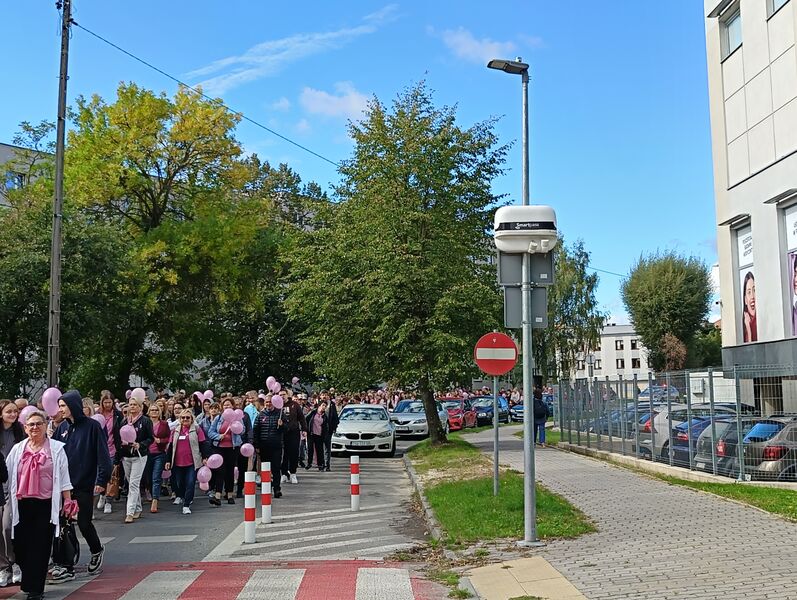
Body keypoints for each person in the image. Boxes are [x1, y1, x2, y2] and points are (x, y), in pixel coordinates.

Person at [7, 410, 75, 600]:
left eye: (39, 424)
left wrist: (68, 501)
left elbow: (64, 478)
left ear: (46, 426)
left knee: (40, 546)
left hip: (46, 505)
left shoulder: (56, 449)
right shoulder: (18, 449)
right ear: (25, 428)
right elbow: (7, 475)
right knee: (20, 546)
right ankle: (28, 583)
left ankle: (36, 589)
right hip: (21, 504)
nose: (35, 427)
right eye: (31, 425)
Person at [51, 390, 112, 582]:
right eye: (59, 406)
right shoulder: (61, 428)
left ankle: (96, 549)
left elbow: (103, 455)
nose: (60, 409)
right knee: (64, 525)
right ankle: (66, 563)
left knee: (84, 523)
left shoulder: (92, 427)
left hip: (84, 483)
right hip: (64, 485)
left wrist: (102, 480)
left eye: (63, 406)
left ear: (73, 406)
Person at [164, 410, 209, 515]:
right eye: (183, 417)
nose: (185, 419)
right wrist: (167, 460)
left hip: (192, 462)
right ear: (180, 419)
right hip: (177, 462)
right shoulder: (175, 430)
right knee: (179, 482)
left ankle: (186, 505)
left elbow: (203, 444)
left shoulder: (197, 430)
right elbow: (170, 447)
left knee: (190, 482)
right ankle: (181, 496)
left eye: (187, 417)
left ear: (192, 419)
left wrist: (205, 457)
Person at [0, 401, 24, 588]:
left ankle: (14, 562)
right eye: (9, 411)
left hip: (15, 483)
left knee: (8, 527)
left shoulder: (20, 431)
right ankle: (3, 567)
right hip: (0, 482)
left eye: (15, 411)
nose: (13, 414)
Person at [119, 397, 154, 524]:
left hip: (139, 456)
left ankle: (130, 512)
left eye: (135, 405)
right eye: (130, 405)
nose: (132, 407)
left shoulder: (145, 421)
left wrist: (141, 444)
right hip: (126, 456)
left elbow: (151, 438)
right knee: (132, 482)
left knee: (133, 484)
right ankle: (138, 508)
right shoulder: (124, 421)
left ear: (140, 407)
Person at [208, 399, 242, 505]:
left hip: (232, 447)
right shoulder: (218, 418)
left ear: (232, 406)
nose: (226, 407)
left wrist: (236, 427)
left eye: (229, 405)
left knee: (229, 471)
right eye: (225, 405)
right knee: (220, 470)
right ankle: (218, 495)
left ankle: (229, 494)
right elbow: (210, 432)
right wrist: (218, 436)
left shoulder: (237, 418)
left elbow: (243, 430)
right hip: (219, 447)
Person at [95, 391, 122, 515]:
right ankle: (102, 494)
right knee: (101, 474)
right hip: (100, 448)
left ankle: (108, 501)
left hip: (112, 448)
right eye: (105, 402)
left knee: (111, 475)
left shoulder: (117, 415)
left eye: (109, 402)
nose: (107, 405)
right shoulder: (97, 414)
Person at [253, 396, 283, 498]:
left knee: (276, 468)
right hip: (264, 446)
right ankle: (266, 488)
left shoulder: (279, 414)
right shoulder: (260, 415)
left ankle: (277, 488)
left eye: (270, 402)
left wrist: (282, 425)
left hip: (276, 446)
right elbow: (255, 431)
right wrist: (256, 445)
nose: (268, 404)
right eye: (267, 402)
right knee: (265, 468)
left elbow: (286, 430)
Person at [142, 404, 169, 513]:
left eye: (156, 410)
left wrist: (160, 441)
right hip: (147, 453)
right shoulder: (145, 423)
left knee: (156, 477)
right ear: (149, 412)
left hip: (159, 453)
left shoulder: (164, 424)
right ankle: (149, 492)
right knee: (147, 477)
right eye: (152, 410)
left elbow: (168, 437)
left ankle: (155, 500)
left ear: (159, 412)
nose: (154, 412)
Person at [280, 391, 307, 485]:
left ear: (287, 395)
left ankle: (293, 473)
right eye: (280, 395)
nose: (282, 396)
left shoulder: (294, 405)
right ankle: (283, 473)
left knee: (294, 453)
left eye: (283, 394)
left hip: (294, 432)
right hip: (282, 433)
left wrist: (304, 429)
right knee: (283, 454)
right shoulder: (277, 405)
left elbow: (301, 418)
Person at [305, 402, 329, 471]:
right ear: (319, 406)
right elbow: (305, 418)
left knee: (319, 450)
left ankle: (320, 464)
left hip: (319, 435)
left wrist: (325, 434)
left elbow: (326, 426)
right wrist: (305, 429)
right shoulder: (313, 412)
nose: (324, 407)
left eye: (325, 406)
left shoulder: (324, 416)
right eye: (323, 405)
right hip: (311, 434)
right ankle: (309, 463)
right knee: (310, 449)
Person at [321, 392, 338, 472]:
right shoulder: (317, 404)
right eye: (323, 395)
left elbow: (335, 418)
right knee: (320, 448)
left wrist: (334, 428)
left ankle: (327, 465)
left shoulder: (332, 405)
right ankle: (321, 464)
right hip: (318, 430)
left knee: (327, 448)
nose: (324, 396)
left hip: (328, 430)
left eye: (326, 395)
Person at [742, 271, 757, 343]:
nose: (752, 296)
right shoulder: (743, 324)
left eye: (754, 290)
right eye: (749, 292)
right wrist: (748, 328)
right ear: (745, 300)